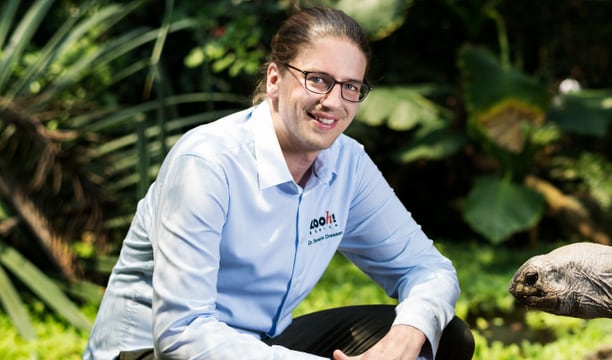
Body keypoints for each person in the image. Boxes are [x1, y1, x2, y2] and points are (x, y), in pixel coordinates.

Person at [84, 6, 475, 360]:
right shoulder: (206, 162)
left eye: (350, 87)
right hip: (152, 351)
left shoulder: (347, 163)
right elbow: (181, 335)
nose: (334, 102)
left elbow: (428, 269)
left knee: (444, 336)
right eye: (318, 79)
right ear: (275, 78)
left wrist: (404, 336)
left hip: (259, 347)